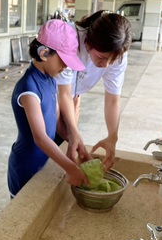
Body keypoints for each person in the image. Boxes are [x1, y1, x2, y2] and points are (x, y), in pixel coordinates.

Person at [8, 19, 89, 197]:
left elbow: (58, 125)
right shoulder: (29, 88)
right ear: (44, 53)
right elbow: (40, 138)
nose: (66, 66)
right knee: (22, 217)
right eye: (63, 60)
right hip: (26, 166)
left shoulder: (51, 81)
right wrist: (72, 168)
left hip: (44, 161)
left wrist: (78, 143)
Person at [55, 10, 132, 170]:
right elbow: (63, 94)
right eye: (102, 58)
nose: (106, 65)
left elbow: (112, 100)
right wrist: (73, 133)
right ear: (89, 43)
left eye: (113, 60)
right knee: (51, 142)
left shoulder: (117, 53)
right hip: (52, 97)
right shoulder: (70, 40)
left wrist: (112, 137)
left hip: (74, 97)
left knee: (70, 144)